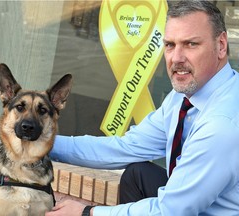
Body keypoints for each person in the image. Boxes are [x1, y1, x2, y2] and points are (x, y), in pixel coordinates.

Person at [46, 0, 239, 215]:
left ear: (221, 45)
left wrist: (87, 212)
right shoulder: (183, 97)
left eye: (191, 44)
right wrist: (45, 145)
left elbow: (172, 211)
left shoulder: (222, 124)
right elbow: (125, 147)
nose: (176, 59)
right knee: (137, 174)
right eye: (170, 45)